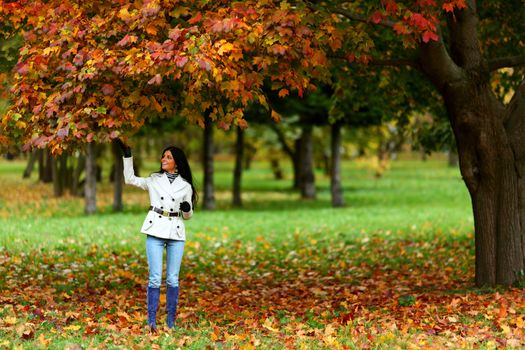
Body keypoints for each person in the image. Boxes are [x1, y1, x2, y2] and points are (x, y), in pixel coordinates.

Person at [115, 138, 197, 332]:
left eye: (168, 157)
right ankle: (151, 321)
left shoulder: (185, 186)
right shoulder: (153, 179)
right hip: (155, 229)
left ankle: (171, 321)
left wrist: (187, 209)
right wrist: (128, 156)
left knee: (173, 279)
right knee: (154, 278)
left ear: (177, 162)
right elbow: (131, 179)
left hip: (176, 232)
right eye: (163, 156)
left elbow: (188, 216)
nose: (164, 159)